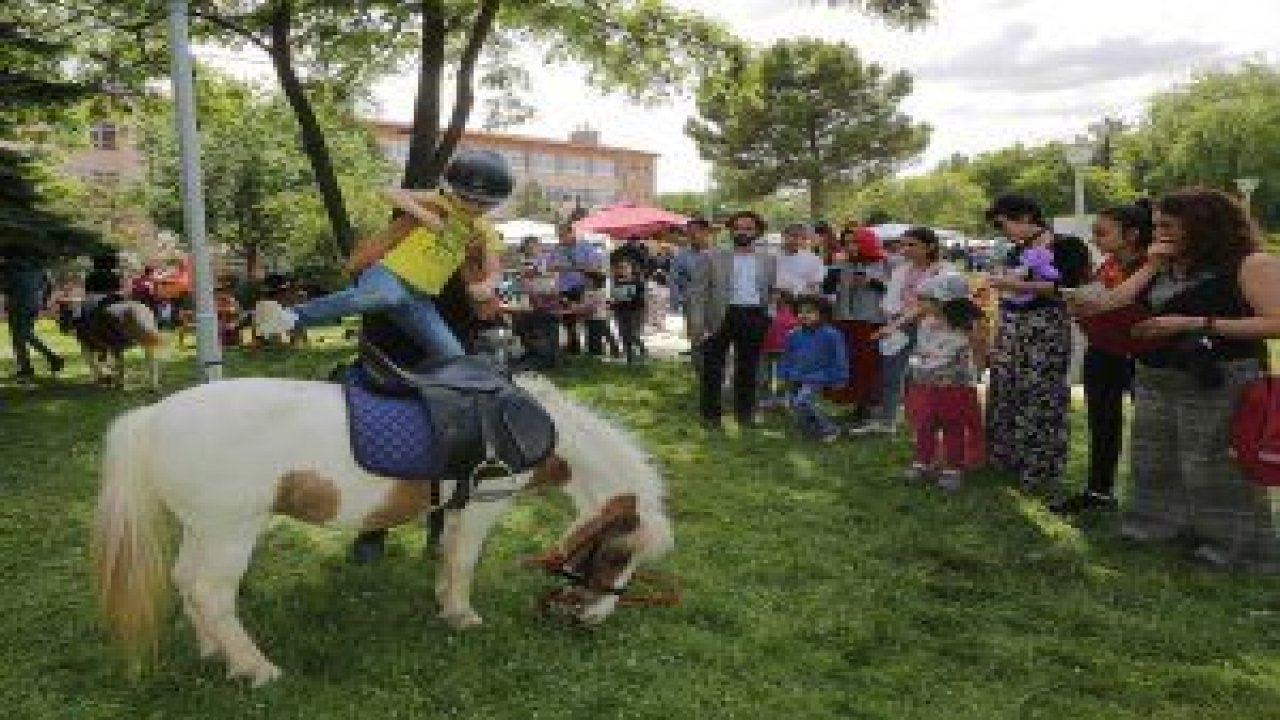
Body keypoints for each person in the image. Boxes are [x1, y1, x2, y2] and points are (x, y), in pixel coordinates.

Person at [1073, 187, 1280, 571]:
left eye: (1167, 226)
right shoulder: (1163, 262)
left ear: (1203, 225)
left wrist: (1195, 322)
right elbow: (1112, 302)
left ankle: (1232, 548)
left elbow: (1276, 322)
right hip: (1157, 376)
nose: (1158, 233)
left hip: (1218, 378)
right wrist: (1150, 266)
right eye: (1155, 226)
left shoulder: (1251, 263)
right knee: (1156, 460)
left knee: (1212, 465)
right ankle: (1156, 528)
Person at [254, 149, 514, 361]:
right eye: (471, 200)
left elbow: (494, 268)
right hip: (387, 276)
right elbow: (387, 193)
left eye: (487, 204)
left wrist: (487, 285)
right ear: (455, 191)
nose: (478, 208)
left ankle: (423, 391)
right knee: (387, 295)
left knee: (453, 356)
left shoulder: (484, 231)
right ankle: (289, 316)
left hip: (418, 297)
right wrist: (426, 215)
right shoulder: (438, 202)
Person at [982, 194, 1091, 494]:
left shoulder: (1067, 245)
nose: (1003, 231)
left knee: (1041, 393)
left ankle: (1040, 466)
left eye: (1004, 224)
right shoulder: (1015, 251)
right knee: (1006, 390)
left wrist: (1014, 285)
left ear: (1026, 217)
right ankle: (1006, 459)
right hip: (1010, 327)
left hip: (1046, 329)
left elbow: (1068, 288)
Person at [1051, 201, 1152, 515]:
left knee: (1150, 430)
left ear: (1132, 235)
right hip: (1104, 351)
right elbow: (1094, 297)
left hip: (1143, 356)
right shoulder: (1108, 265)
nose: (1095, 240)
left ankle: (1150, 501)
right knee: (1103, 423)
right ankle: (1099, 490)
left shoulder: (1152, 267)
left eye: (1102, 233)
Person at [687, 210, 779, 431]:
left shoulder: (768, 259)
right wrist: (697, 325)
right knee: (712, 368)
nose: (743, 232)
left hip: (754, 315)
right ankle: (710, 415)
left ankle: (745, 413)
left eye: (748, 228)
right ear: (731, 230)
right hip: (720, 316)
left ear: (757, 231)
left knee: (748, 368)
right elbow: (697, 293)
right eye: (738, 227)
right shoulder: (711, 256)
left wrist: (769, 316)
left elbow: (770, 290)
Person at [851, 226, 947, 436]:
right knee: (891, 375)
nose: (905, 249)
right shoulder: (901, 269)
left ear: (930, 246)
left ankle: (933, 424)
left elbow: (931, 306)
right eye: (903, 244)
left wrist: (897, 322)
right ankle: (887, 422)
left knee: (931, 376)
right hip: (899, 326)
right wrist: (892, 319)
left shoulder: (943, 271)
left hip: (930, 328)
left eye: (912, 245)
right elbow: (893, 298)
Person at [898, 273, 988, 491]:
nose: (920, 303)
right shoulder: (926, 323)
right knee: (924, 425)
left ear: (945, 302)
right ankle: (923, 462)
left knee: (953, 426)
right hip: (925, 384)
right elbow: (922, 350)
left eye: (926, 299)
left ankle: (953, 467)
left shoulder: (967, 328)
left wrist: (977, 371)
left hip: (954, 387)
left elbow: (978, 354)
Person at [823, 221, 892, 421]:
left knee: (868, 365)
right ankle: (855, 404)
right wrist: (832, 272)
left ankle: (869, 406)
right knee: (848, 364)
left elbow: (895, 290)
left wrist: (872, 282)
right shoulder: (841, 264)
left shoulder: (884, 263)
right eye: (846, 243)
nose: (850, 247)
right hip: (844, 319)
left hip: (871, 320)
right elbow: (827, 290)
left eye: (854, 242)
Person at [778, 295, 848, 442]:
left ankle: (830, 429)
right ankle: (811, 432)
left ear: (822, 314)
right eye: (801, 311)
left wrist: (841, 377)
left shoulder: (831, 334)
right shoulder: (793, 334)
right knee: (795, 405)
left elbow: (840, 358)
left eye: (809, 311)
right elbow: (786, 356)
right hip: (795, 376)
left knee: (803, 401)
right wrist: (783, 373)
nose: (804, 315)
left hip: (819, 377)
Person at [1, 248, 64, 379]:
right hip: (33, 305)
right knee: (22, 336)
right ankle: (26, 368)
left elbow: (6, 288)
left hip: (18, 305)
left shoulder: (10, 269)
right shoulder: (39, 268)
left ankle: (52, 358)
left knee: (22, 336)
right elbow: (49, 286)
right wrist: (44, 301)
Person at [547, 223, 604, 356]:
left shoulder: (585, 246)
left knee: (586, 318)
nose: (560, 238)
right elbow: (549, 267)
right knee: (568, 319)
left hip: (583, 287)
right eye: (558, 235)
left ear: (571, 233)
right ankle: (574, 347)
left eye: (562, 235)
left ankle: (593, 348)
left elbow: (596, 267)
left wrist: (576, 267)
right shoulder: (557, 248)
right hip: (564, 288)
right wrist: (560, 268)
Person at [673, 217, 714, 365]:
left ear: (706, 232)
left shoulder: (720, 253)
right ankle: (699, 368)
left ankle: (717, 368)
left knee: (717, 336)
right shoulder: (681, 256)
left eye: (695, 232)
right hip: (693, 302)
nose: (691, 236)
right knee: (696, 337)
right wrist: (678, 300)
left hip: (716, 301)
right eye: (689, 232)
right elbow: (674, 280)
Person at [609, 259, 647, 364]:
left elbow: (641, 297)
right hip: (620, 310)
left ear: (630, 269)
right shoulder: (616, 282)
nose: (622, 270)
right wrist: (612, 302)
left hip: (634, 310)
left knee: (632, 333)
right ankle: (629, 355)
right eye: (620, 268)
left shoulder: (637, 281)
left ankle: (640, 349)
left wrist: (630, 297)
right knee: (623, 333)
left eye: (625, 267)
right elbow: (614, 296)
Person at [579, 270, 620, 358]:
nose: (585, 282)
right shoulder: (587, 291)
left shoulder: (601, 292)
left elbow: (594, 306)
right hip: (589, 317)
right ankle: (594, 351)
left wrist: (583, 309)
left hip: (599, 317)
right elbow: (584, 304)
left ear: (594, 281)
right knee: (591, 334)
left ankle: (615, 351)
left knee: (604, 333)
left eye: (588, 280)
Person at [775, 223, 825, 296]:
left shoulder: (813, 259)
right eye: (793, 236)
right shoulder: (774, 257)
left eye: (801, 237)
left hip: (804, 300)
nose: (797, 240)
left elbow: (816, 284)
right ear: (784, 236)